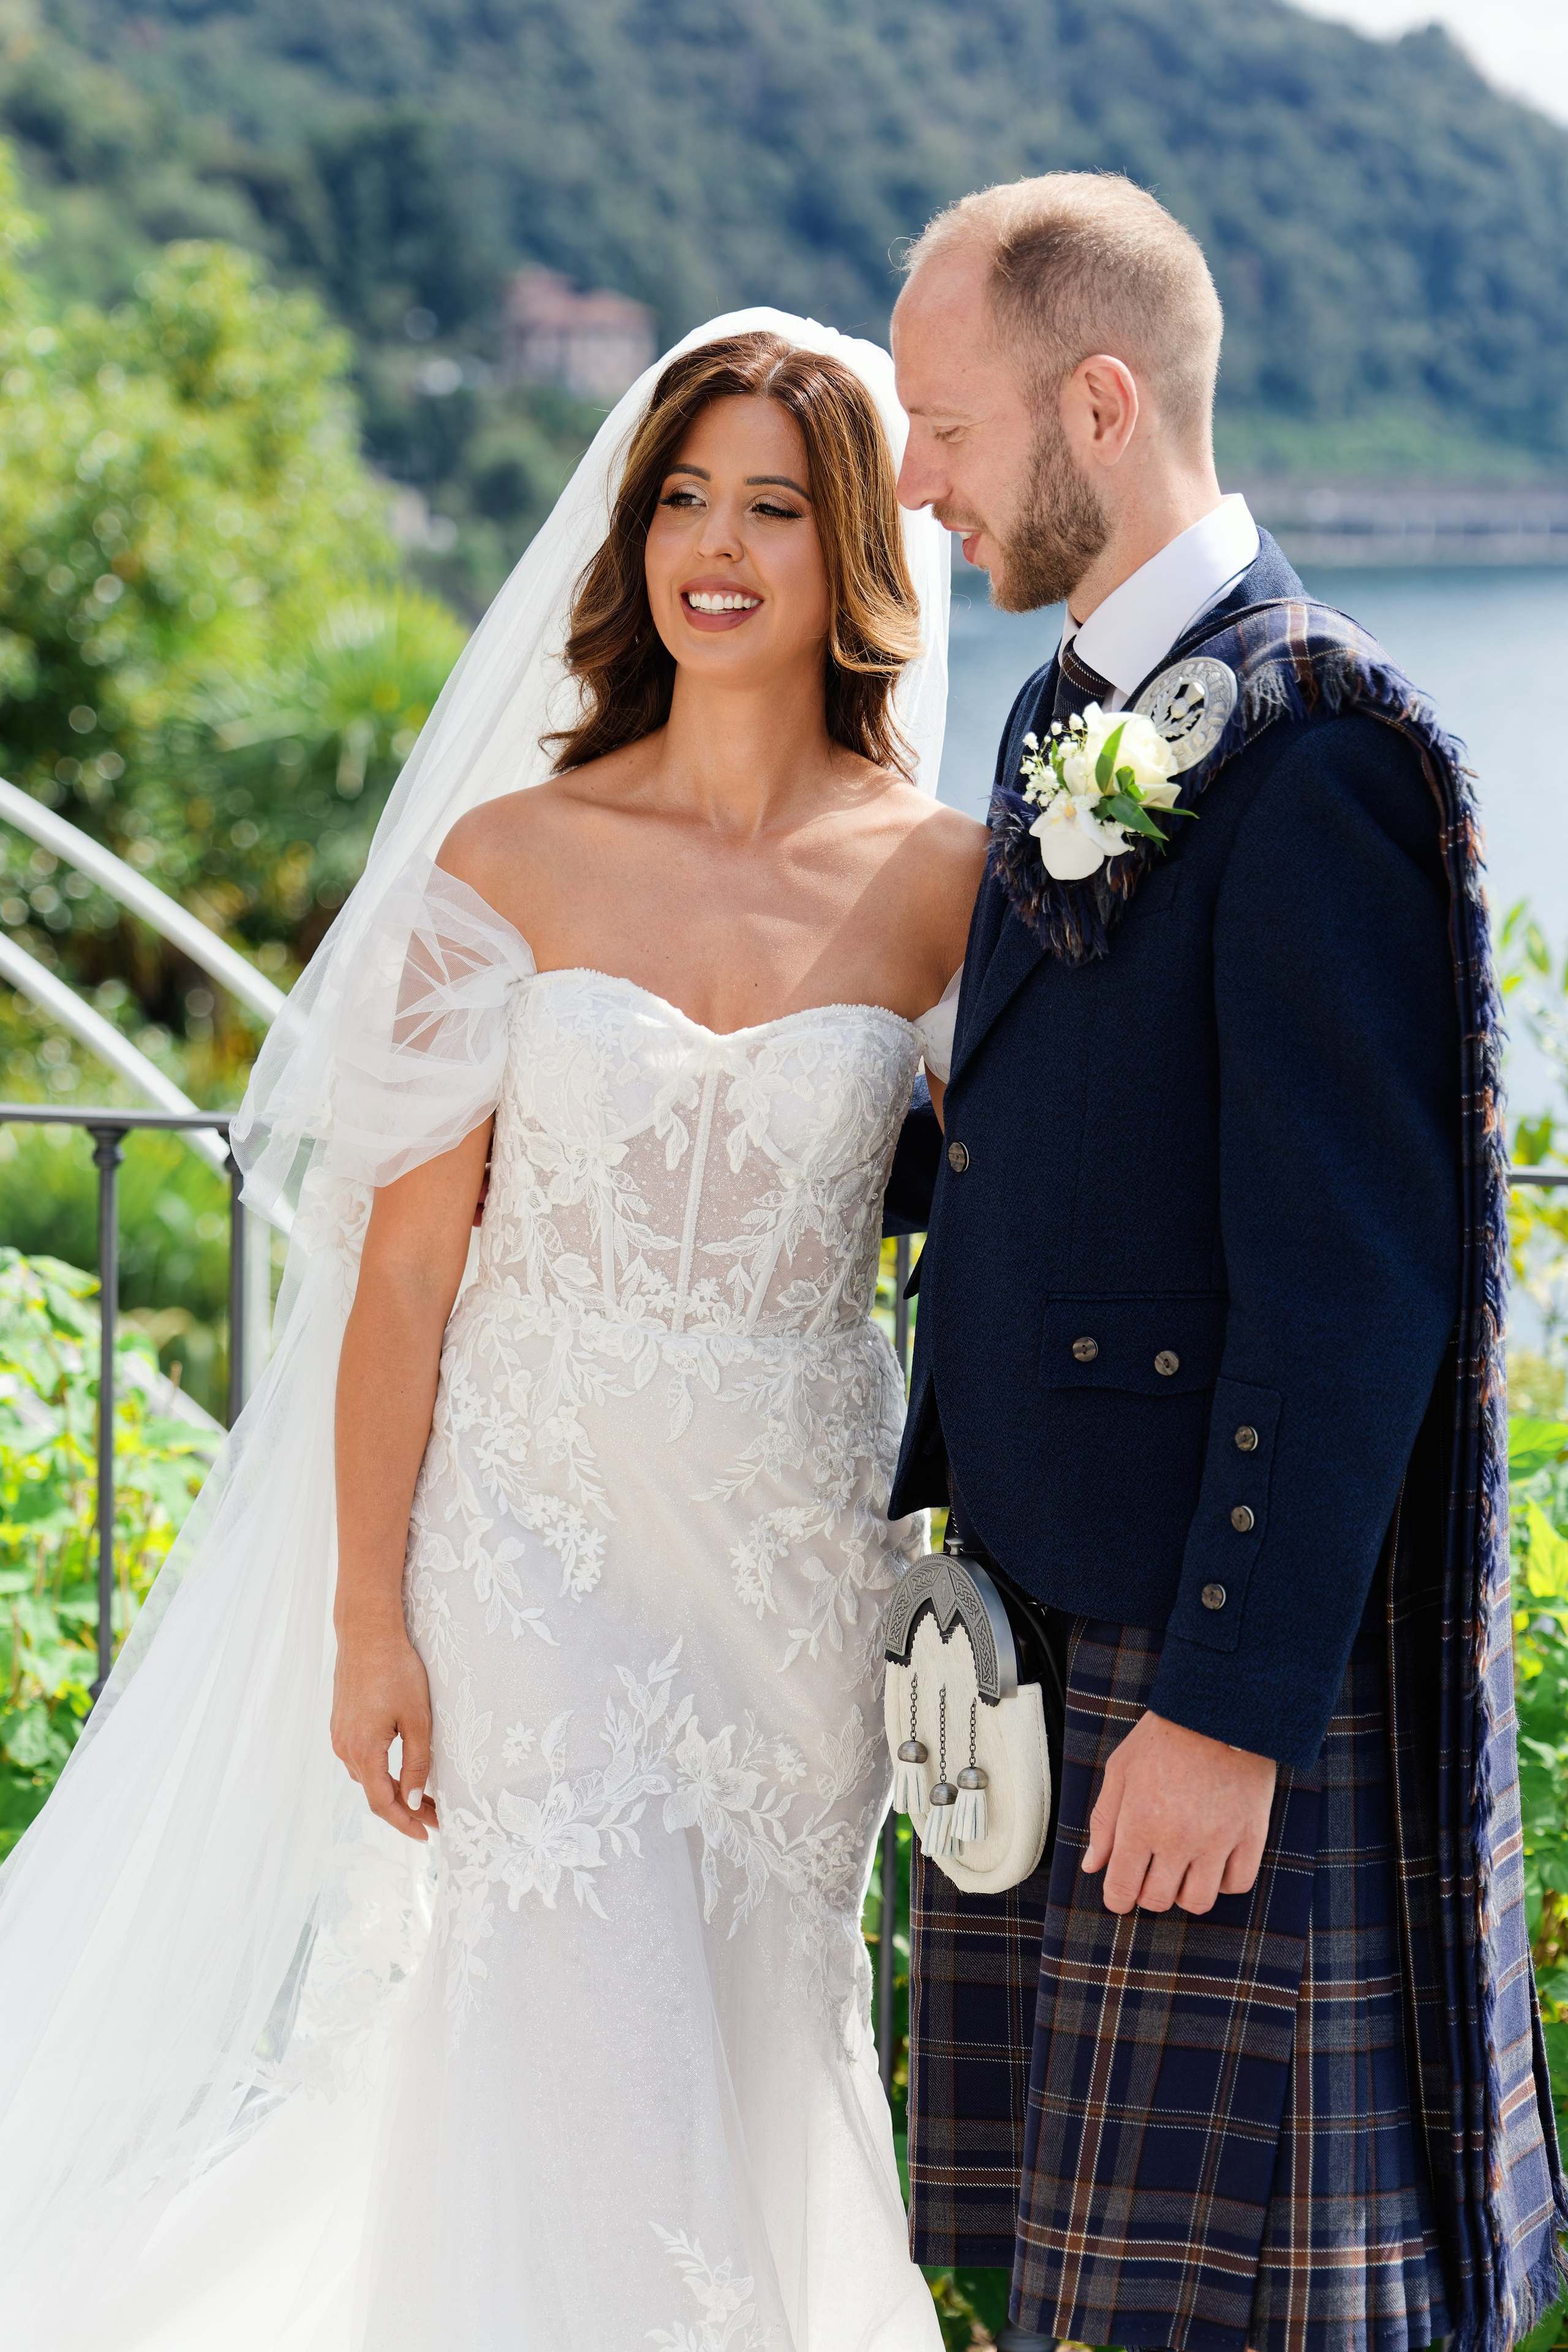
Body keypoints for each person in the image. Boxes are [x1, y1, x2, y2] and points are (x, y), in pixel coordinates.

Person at [0, 317, 984, 2351]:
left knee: (748, 2037)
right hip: (530, 1556)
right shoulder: (510, 860)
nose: (718, 546)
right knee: (572, 2027)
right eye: (684, 500)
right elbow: (407, 1273)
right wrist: (374, 1618)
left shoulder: (947, 888)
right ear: (630, 541)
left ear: (858, 551)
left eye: (776, 509)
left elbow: (1027, 1231)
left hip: (794, 1578)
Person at [887, 173, 1566, 2352]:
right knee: (1101, 2299)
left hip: (1192, 1662)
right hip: (1048, 1619)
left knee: (1264, 2309)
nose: (918, 487)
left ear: (1098, 404)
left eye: (946, 430)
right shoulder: (1063, 715)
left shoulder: (1319, 749)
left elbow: (1357, 1284)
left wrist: (1225, 1707)